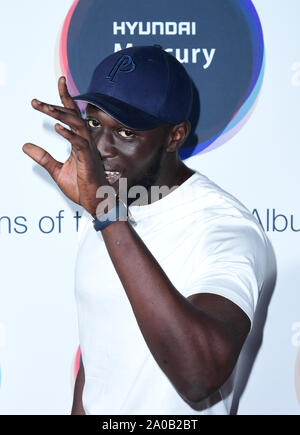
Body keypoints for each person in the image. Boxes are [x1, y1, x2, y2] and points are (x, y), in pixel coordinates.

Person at [23, 45, 269, 415]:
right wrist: (105, 212)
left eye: (125, 132)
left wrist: (106, 213)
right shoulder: (107, 212)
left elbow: (200, 377)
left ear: (175, 136)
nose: (101, 148)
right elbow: (99, 364)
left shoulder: (223, 227)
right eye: (93, 124)